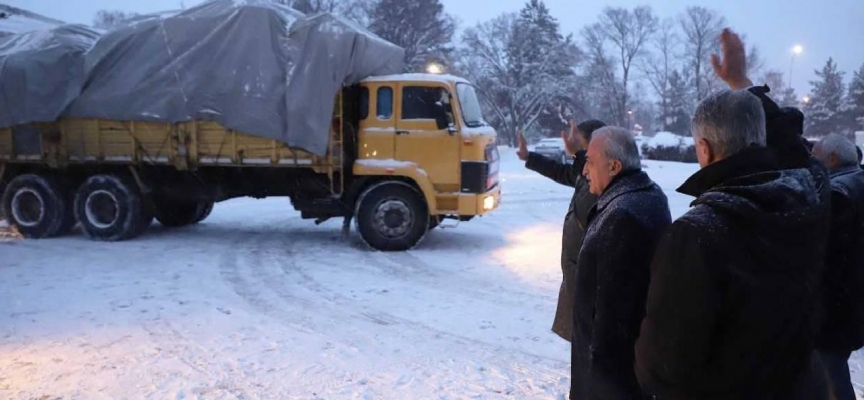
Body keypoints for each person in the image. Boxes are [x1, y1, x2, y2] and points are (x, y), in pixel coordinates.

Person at [634, 28, 830, 400]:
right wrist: (743, 85)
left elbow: (664, 366)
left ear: (703, 148)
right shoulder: (809, 196)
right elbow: (797, 153)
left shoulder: (698, 233)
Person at [570, 126, 671, 399]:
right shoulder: (644, 195)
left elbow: (613, 325)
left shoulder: (622, 218)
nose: (584, 171)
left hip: (609, 384)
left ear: (614, 166)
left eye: (590, 162)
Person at [516, 119, 607, 342]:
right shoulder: (588, 174)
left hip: (589, 281)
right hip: (577, 274)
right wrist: (530, 157)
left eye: (582, 145)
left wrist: (576, 153)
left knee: (588, 343)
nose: (582, 161)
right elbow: (562, 172)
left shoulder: (603, 181)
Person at [813, 134, 864, 400]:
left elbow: (828, 262)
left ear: (831, 159)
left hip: (835, 312)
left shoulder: (836, 194)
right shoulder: (857, 183)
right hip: (853, 306)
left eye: (816, 156)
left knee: (830, 376)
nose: (811, 162)